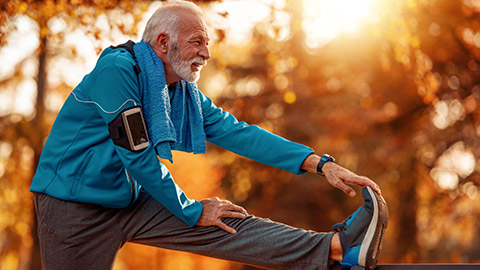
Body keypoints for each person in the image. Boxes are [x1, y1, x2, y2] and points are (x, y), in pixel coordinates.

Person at [30, 1, 388, 269]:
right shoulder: (117, 71)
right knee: (199, 212)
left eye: (207, 43)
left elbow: (239, 134)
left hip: (127, 199)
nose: (207, 53)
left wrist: (320, 164)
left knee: (223, 220)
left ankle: (339, 250)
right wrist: (190, 209)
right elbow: (137, 155)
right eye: (197, 42)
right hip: (71, 208)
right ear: (162, 42)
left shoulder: (180, 93)